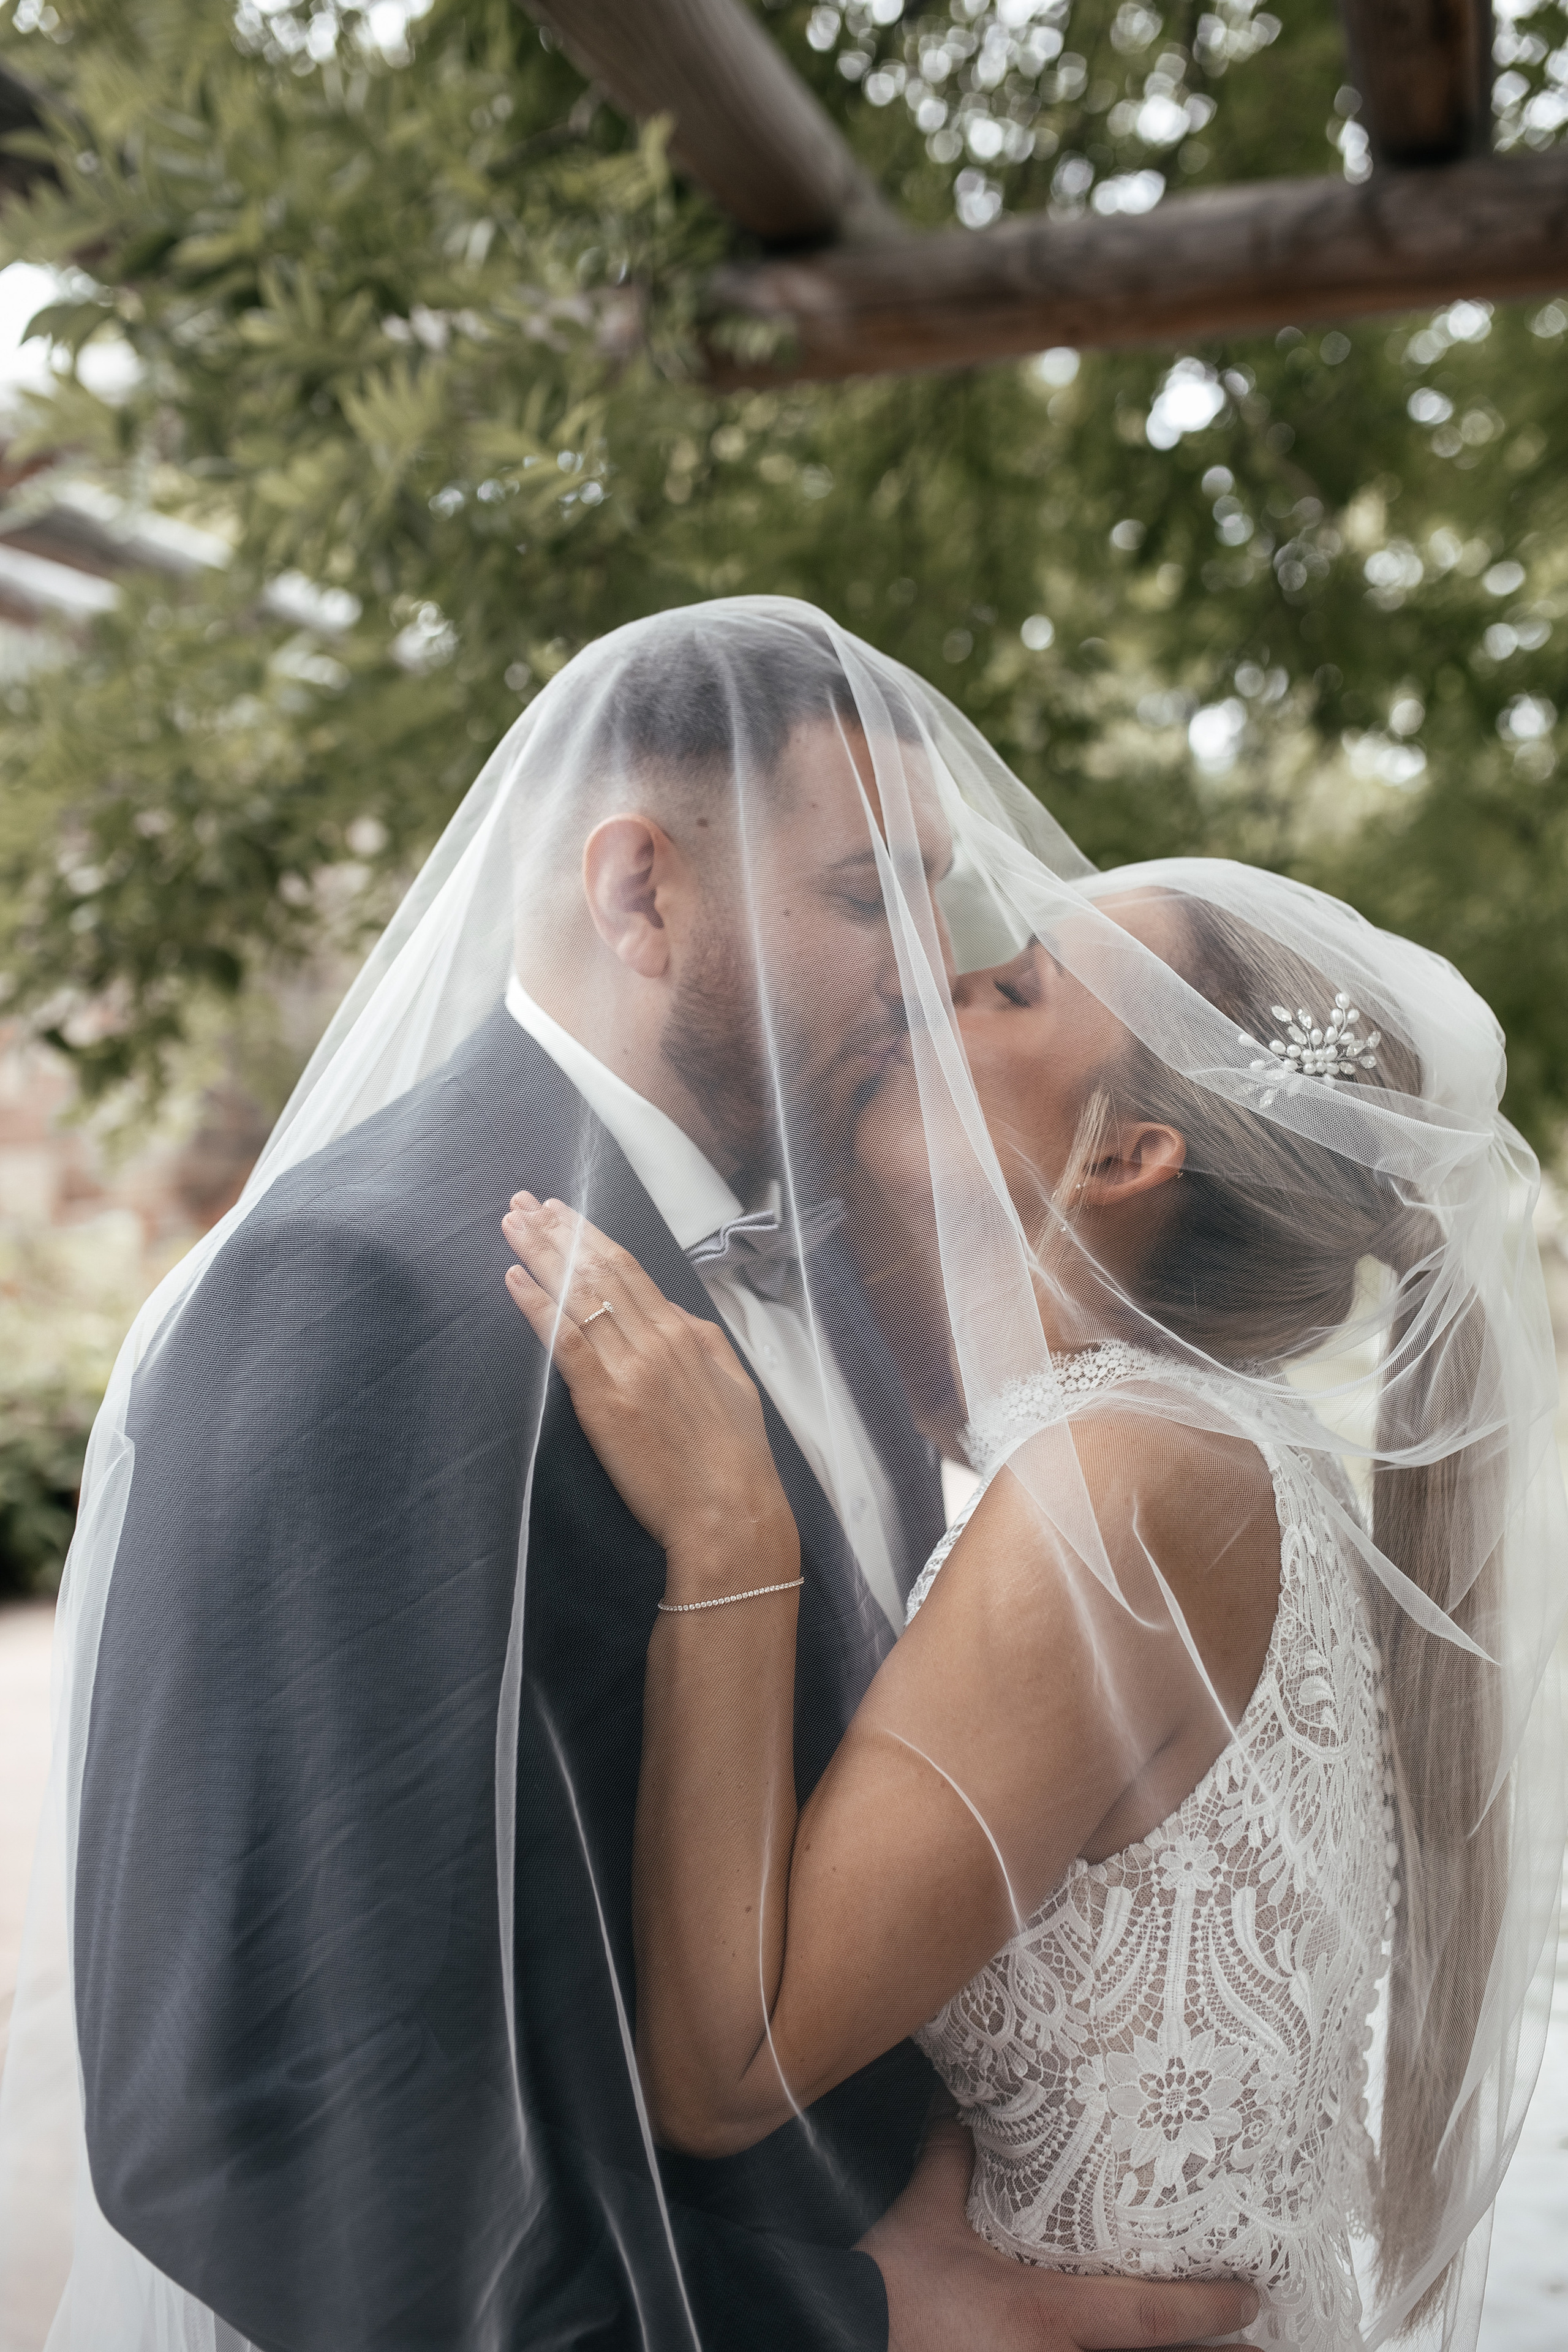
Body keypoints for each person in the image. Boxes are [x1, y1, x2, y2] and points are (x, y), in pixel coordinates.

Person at [0, 603, 1261, 2352]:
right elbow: (249, 2115)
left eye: (934, 897)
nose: (929, 968)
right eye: (866, 897)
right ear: (638, 893)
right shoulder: (365, 1294)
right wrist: (853, 2320)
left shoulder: (839, 1266)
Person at [500, 861, 1568, 2351]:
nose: (939, 984)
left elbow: (729, 2064)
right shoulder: (1221, 1456)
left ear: (1124, 1154)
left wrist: (728, 1529)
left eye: (1015, 988)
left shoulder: (1121, 1484)